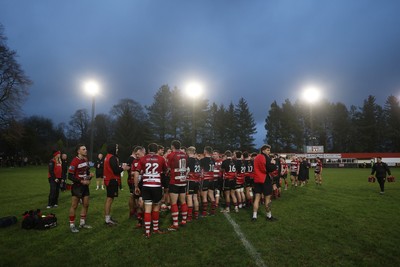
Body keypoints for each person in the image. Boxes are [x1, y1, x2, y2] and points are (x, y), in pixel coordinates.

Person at [135, 143, 168, 238]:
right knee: (156, 207)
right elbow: (166, 171)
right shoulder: (161, 159)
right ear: (157, 150)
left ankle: (147, 232)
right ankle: (156, 229)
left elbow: (137, 174)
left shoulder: (142, 159)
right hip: (157, 186)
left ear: (148, 150)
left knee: (148, 209)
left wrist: (136, 186)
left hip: (146, 186)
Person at [67, 144, 93, 233]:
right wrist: (82, 181)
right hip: (77, 186)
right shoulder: (74, 161)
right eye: (83, 149)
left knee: (86, 204)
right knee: (74, 206)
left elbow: (86, 172)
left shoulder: (86, 160)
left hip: (85, 186)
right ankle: (72, 225)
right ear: (78, 151)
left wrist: (90, 177)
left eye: (86, 149)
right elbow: (70, 176)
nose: (86, 150)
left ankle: (82, 223)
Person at [103, 144, 130, 225]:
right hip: (112, 180)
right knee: (109, 199)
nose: (117, 149)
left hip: (109, 179)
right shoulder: (112, 157)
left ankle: (108, 217)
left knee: (109, 198)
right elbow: (115, 170)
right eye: (116, 148)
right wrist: (123, 168)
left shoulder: (108, 156)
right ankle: (107, 219)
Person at [166, 140, 188, 231]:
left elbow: (167, 167)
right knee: (183, 201)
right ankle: (184, 220)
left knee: (174, 202)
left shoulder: (171, 155)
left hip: (174, 181)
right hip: (183, 180)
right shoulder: (185, 155)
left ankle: (175, 224)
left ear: (172, 146)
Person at [252, 144, 277, 221]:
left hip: (257, 179)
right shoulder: (266, 157)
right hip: (265, 179)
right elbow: (269, 169)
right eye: (267, 150)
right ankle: (269, 216)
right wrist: (273, 164)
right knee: (267, 199)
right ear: (263, 150)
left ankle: (254, 216)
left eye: (269, 150)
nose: (269, 151)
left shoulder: (256, 157)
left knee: (257, 198)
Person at [200, 146, 216, 216]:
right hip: (212, 179)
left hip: (205, 179)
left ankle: (204, 212)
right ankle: (212, 211)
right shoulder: (213, 160)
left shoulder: (202, 160)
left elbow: (200, 170)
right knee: (211, 195)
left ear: (205, 151)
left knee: (204, 196)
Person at [186, 146, 201, 221]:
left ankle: (189, 216)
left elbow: (187, 171)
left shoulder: (188, 160)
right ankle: (196, 215)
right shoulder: (198, 160)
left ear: (188, 152)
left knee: (189, 197)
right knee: (195, 198)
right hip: (197, 181)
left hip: (191, 181)